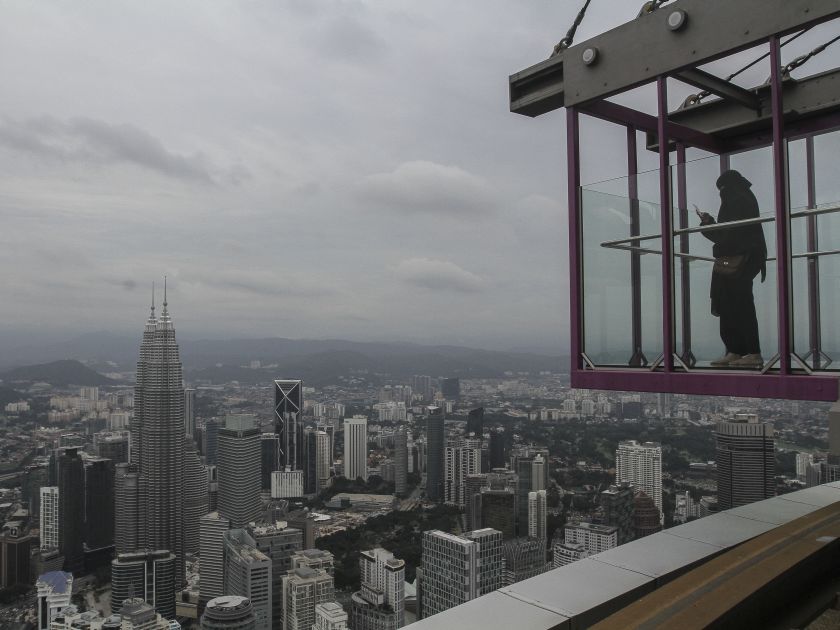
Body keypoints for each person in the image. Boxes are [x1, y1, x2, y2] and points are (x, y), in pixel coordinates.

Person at [697, 169, 767, 369]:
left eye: (722, 188)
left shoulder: (737, 200)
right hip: (745, 257)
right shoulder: (743, 197)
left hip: (740, 257)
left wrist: (709, 225)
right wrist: (710, 224)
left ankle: (749, 352)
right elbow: (729, 232)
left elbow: (727, 234)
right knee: (733, 303)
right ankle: (737, 351)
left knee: (739, 304)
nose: (722, 193)